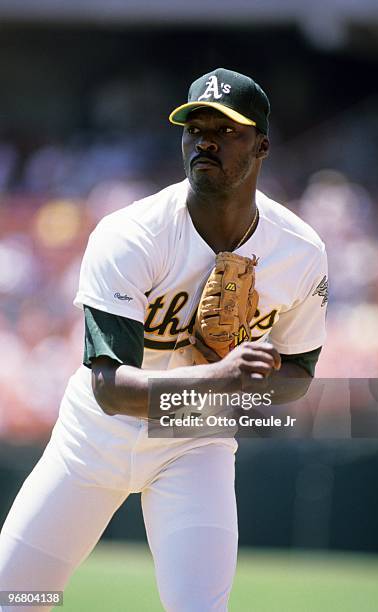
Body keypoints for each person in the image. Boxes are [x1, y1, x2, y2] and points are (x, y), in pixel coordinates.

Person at [0, 68, 328, 611]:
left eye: (227, 130)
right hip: (95, 437)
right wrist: (220, 377)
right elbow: (112, 390)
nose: (206, 140)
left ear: (262, 145)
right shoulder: (132, 232)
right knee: (17, 596)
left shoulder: (299, 250)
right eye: (195, 127)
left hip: (194, 442)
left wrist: (242, 386)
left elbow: (297, 376)